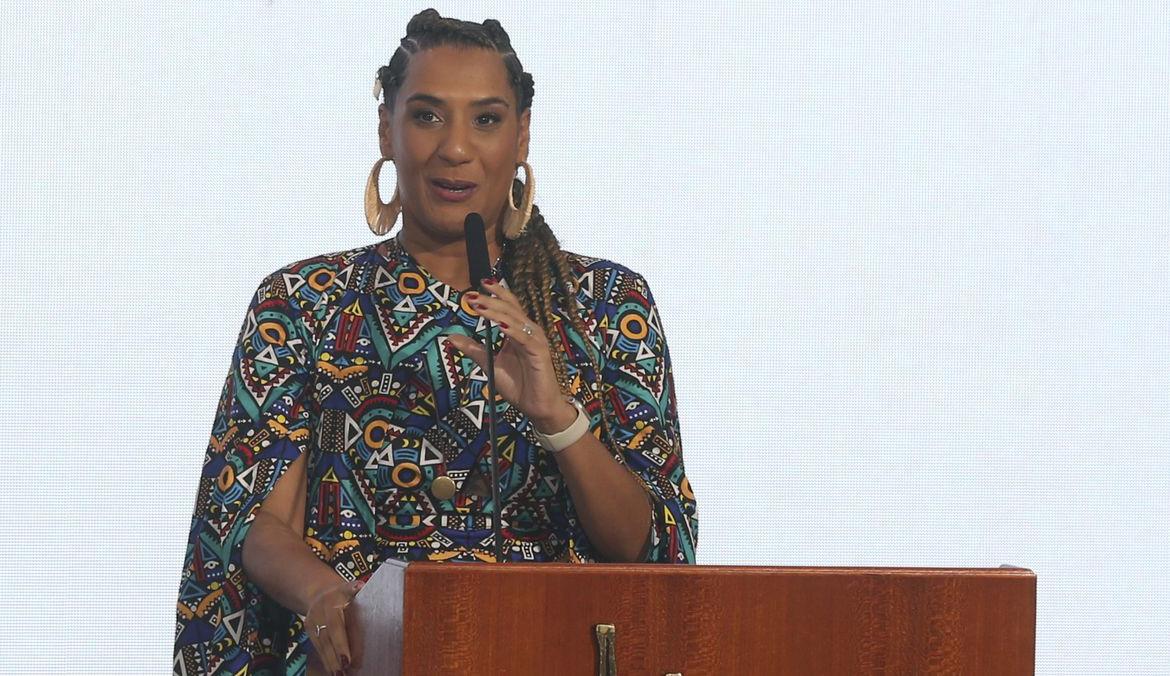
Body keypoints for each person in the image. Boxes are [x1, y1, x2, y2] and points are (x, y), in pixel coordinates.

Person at [173, 9, 697, 675]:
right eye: (426, 116)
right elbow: (255, 521)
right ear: (386, 128)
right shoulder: (304, 302)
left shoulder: (606, 306)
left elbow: (647, 549)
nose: (455, 148)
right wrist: (325, 593)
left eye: (486, 119)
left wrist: (557, 420)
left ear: (522, 134)